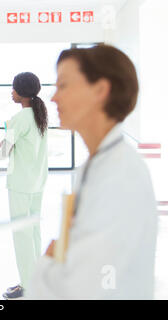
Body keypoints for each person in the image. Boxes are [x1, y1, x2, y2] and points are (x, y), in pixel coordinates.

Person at [27, 45, 157, 299]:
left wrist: (46, 266)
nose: (54, 98)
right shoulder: (97, 166)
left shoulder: (121, 175)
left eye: (63, 85)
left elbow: (85, 285)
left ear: (100, 90)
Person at [0, 72, 48, 300]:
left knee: (22, 234)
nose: (12, 92)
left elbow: (3, 152)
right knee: (34, 231)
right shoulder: (40, 117)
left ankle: (26, 284)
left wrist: (5, 135)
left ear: (21, 92)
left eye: (13, 88)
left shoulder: (19, 119)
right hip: (37, 181)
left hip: (20, 182)